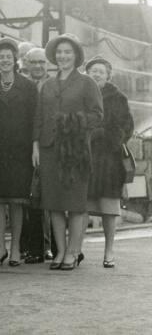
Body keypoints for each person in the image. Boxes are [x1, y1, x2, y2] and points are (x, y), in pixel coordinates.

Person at [32, 34, 103, 271]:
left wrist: (73, 121)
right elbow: (39, 118)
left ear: (75, 56)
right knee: (53, 203)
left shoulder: (87, 83)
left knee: (74, 203)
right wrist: (36, 146)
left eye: (68, 52)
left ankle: (73, 252)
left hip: (75, 151)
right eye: (59, 52)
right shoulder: (47, 85)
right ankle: (60, 251)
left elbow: (97, 115)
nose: (63, 56)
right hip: (50, 149)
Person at [0, 39, 38, 267]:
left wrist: (34, 145)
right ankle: (0, 248)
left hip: (19, 152)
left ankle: (15, 248)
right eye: (0, 57)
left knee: (16, 201)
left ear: (15, 59)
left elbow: (35, 119)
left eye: (8, 56)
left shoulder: (28, 87)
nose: (5, 60)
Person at [85, 56, 134, 268]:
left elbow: (126, 128)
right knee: (80, 207)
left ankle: (109, 251)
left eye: (100, 71)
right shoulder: (81, 94)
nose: (96, 74)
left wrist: (102, 134)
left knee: (108, 208)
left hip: (109, 160)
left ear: (108, 75)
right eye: (92, 71)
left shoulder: (118, 98)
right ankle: (76, 250)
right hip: (84, 157)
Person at [21, 47, 53, 264]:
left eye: (42, 62)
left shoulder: (53, 85)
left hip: (48, 146)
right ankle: (33, 247)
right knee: (29, 199)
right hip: (24, 147)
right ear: (27, 64)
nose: (38, 66)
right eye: (34, 62)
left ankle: (49, 245)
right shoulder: (24, 86)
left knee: (49, 199)